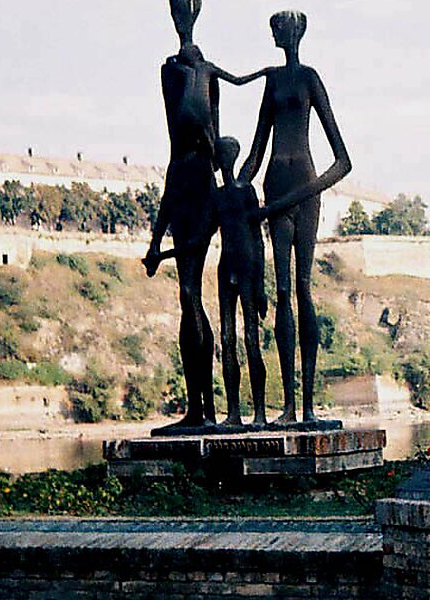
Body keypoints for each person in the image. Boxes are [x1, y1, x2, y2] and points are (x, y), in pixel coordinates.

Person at [144, 0, 265, 430]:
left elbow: (199, 123)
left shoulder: (194, 76)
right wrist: (156, 242)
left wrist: (196, 65)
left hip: (194, 186)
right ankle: (200, 408)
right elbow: (176, 165)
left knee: (191, 296)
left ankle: (207, 410)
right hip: (182, 182)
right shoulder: (174, 74)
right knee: (187, 298)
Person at [238, 10, 352, 423]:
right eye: (273, 29)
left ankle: (306, 406)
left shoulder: (308, 78)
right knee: (283, 290)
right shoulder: (272, 82)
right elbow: (256, 149)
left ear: (296, 31)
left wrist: (306, 192)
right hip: (276, 185)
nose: (275, 34)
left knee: (303, 288)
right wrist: (235, 188)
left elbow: (343, 161)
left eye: (280, 28)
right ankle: (288, 405)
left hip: (302, 189)